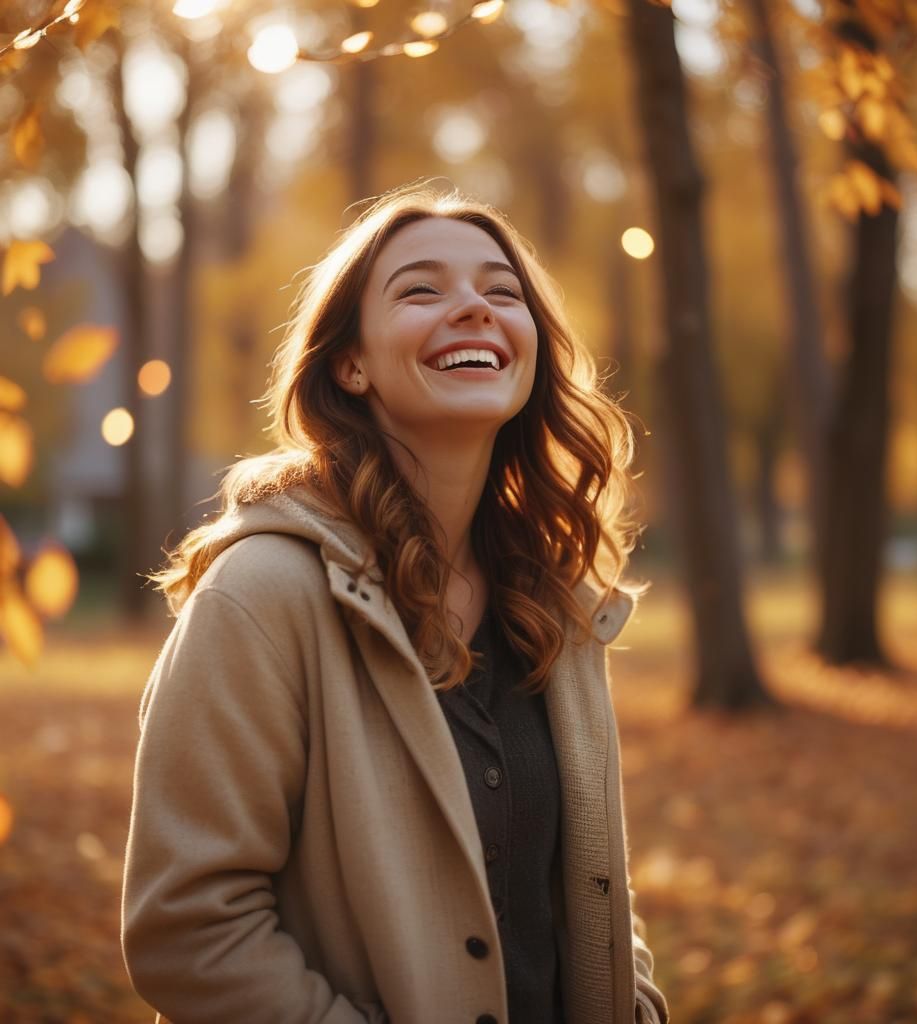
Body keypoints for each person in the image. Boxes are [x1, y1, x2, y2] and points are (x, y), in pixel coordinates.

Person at [121, 180, 669, 1024]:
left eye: (501, 291)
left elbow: (589, 875)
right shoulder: (262, 595)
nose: (474, 310)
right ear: (351, 363)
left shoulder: (551, 603)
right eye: (421, 289)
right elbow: (187, 931)